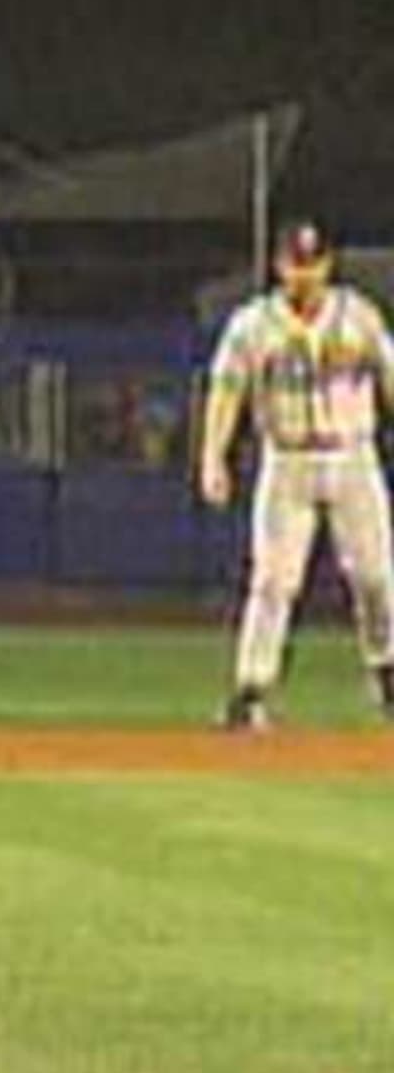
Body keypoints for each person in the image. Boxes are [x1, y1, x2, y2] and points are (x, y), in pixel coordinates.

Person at [198, 220, 394, 730]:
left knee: (375, 576)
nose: (303, 274)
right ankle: (251, 688)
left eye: (312, 263)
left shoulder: (358, 317)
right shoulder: (253, 325)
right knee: (273, 581)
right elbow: (226, 391)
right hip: (286, 460)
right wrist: (213, 456)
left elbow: (390, 379)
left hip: (352, 454)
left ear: (328, 265)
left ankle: (387, 671)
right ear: (279, 266)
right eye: (294, 263)